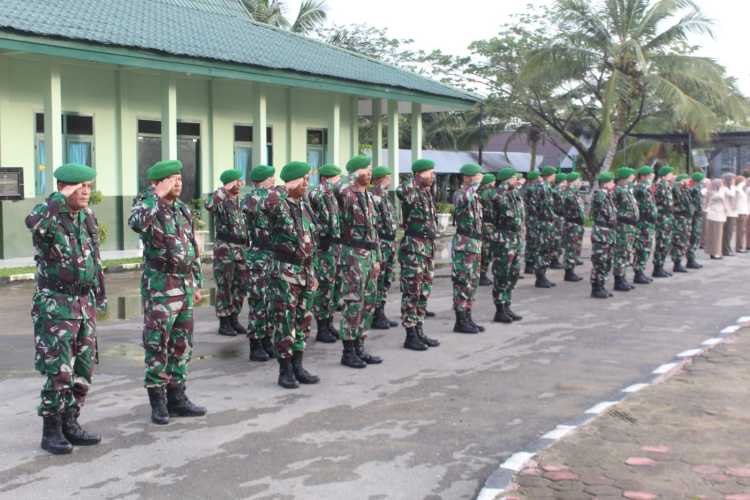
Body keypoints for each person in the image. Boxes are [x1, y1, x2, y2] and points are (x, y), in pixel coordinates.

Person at [27, 163, 105, 454]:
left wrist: (99, 295)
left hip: (84, 304)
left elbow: (94, 259)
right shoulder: (49, 216)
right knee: (59, 370)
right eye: (79, 186)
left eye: (88, 185)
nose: (86, 191)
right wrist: (58, 198)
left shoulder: (87, 218)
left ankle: (71, 423)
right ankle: (51, 430)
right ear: (65, 187)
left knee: (84, 368)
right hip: (55, 305)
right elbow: (32, 222)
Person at [129, 160, 206, 425]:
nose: (178, 183)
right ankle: (158, 401)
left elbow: (192, 248)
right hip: (160, 286)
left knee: (182, 345)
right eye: (172, 179)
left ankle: (178, 397)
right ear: (157, 183)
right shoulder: (145, 205)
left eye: (180, 179)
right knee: (157, 344)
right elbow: (136, 223)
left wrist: (196, 282)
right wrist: (156, 196)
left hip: (183, 285)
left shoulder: (182, 210)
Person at [265, 162, 320, 388]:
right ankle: (285, 370)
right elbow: (262, 203)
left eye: (307, 179)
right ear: (292, 181)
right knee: (285, 322)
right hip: (285, 272)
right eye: (303, 179)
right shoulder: (278, 204)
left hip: (305, 271)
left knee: (304, 320)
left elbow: (311, 239)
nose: (306, 183)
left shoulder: (304, 206)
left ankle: (298, 365)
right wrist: (284, 187)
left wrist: (312, 271)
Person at [337, 155, 383, 367]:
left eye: (370, 169)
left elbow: (374, 232)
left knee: (368, 303)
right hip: (353, 256)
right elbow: (337, 190)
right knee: (353, 302)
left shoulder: (369, 196)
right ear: (355, 173)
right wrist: (350, 179)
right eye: (366, 169)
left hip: (369, 255)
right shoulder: (347, 193)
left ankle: (359, 346)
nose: (370, 172)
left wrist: (377, 258)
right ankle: (348, 351)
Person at [397, 159, 440, 351]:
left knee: (424, 291)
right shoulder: (410, 190)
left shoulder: (426, 193)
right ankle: (410, 334)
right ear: (419, 174)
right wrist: (415, 179)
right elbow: (401, 190)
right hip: (413, 247)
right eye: (430, 172)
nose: (433, 175)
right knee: (412, 291)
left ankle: (419, 329)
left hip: (427, 248)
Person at [205, 169, 248, 337]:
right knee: (225, 286)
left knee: (241, 285)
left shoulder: (239, 200)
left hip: (241, 249)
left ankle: (234, 318)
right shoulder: (220, 199)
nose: (240, 184)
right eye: (237, 181)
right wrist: (223, 190)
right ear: (229, 182)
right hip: (225, 250)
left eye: (240, 181)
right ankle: (224, 322)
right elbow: (208, 205)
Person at [243, 164, 278, 362]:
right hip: (258, 256)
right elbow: (255, 205)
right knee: (258, 301)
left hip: (271, 256)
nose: (274, 181)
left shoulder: (272, 196)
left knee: (270, 302)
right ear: (263, 180)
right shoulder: (252, 197)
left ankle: (266, 339)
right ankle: (255, 343)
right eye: (271, 178)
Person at [308, 164, 343, 342]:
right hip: (324, 247)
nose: (339, 182)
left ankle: (328, 323)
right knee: (324, 288)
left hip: (335, 247)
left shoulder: (333, 195)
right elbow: (316, 222)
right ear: (325, 179)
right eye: (336, 178)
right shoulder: (318, 193)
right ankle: (322, 327)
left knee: (334, 287)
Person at [451, 164, 484, 333]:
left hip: (475, 244)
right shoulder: (460, 194)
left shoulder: (475, 196)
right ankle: (460, 320)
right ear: (468, 177)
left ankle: (468, 317)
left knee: (472, 283)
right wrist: (474, 184)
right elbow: (463, 199)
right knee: (462, 283)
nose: (480, 178)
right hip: (464, 244)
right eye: (477, 175)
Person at [490, 167, 524, 323]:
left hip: (515, 238)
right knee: (502, 275)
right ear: (506, 179)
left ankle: (507, 304)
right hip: (503, 239)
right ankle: (499, 309)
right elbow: (493, 218)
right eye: (514, 178)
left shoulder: (515, 194)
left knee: (514, 273)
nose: (517, 181)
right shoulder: (498, 195)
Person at [371, 166, 400, 329]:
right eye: (386, 177)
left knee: (386, 279)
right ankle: (375, 314)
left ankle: (381, 312)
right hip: (381, 243)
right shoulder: (375, 196)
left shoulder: (386, 196)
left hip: (390, 243)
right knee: (379, 279)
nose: (389, 180)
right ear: (378, 179)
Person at [529, 166, 559, 288]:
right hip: (543, 223)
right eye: (554, 174)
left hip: (546, 222)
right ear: (550, 175)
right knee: (542, 250)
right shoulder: (542, 188)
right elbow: (541, 207)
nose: (555, 177)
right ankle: (540, 277)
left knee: (547, 250)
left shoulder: (546, 188)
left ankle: (543, 275)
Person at [590, 171, 618, 299]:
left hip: (609, 233)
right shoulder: (600, 195)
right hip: (601, 233)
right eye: (611, 181)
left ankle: (601, 286)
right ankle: (596, 288)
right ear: (605, 183)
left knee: (606, 261)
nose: (614, 184)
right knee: (600, 261)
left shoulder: (608, 196)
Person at [612, 167, 639, 291]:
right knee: (621, 253)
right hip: (622, 227)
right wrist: (625, 218)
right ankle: (618, 280)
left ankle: (623, 278)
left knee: (627, 253)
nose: (633, 177)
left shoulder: (627, 190)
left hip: (629, 227)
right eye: (631, 176)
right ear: (625, 178)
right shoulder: (617, 191)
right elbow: (614, 210)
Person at [632, 166, 657, 284]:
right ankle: (638, 273)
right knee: (642, 248)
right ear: (643, 176)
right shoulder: (641, 188)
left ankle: (640, 272)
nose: (652, 177)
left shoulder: (646, 187)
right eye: (649, 175)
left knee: (646, 248)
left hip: (648, 223)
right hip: (643, 223)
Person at [652, 166, 676, 278]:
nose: (672, 175)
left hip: (667, 217)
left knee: (665, 244)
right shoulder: (660, 186)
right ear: (665, 175)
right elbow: (659, 202)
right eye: (670, 173)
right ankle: (657, 268)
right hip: (662, 218)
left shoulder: (666, 186)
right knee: (661, 244)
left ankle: (660, 267)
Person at [562, 172, 585, 282]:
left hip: (577, 224)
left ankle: (571, 270)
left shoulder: (575, 193)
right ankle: (568, 272)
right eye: (578, 180)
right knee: (570, 248)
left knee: (575, 247)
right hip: (571, 223)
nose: (580, 182)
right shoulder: (568, 193)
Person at [670, 174, 693, 272]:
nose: (688, 181)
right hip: (679, 218)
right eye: (686, 180)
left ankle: (679, 261)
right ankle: (677, 263)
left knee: (684, 241)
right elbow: (676, 200)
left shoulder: (684, 189)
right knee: (678, 241)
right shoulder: (676, 189)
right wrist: (678, 183)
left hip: (685, 219)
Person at [478, 173, 497, 286]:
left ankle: (482, 274)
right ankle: (482, 275)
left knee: (483, 250)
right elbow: (492, 210)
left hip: (482, 224)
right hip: (488, 225)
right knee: (486, 250)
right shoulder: (489, 193)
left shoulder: (479, 192)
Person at [704, 178, 729, 260]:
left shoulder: (712, 191)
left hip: (715, 215)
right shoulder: (714, 193)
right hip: (716, 215)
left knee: (715, 235)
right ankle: (715, 253)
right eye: (721, 183)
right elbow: (721, 198)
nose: (722, 185)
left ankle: (714, 252)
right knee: (716, 236)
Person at [686, 172, 705, 269]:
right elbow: (692, 203)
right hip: (694, 216)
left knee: (695, 237)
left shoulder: (697, 189)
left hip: (697, 216)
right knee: (694, 237)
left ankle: (691, 259)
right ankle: (690, 259)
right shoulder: (694, 189)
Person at [523, 170, 540, 274]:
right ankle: (529, 264)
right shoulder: (531, 189)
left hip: (530, 218)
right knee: (532, 242)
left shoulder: (526, 188)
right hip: (532, 218)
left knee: (532, 241)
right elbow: (534, 206)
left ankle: (530, 264)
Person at [549, 172, 567, 270]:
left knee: (558, 238)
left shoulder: (557, 190)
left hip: (558, 217)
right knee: (557, 238)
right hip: (557, 217)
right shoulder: (558, 191)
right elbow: (562, 205)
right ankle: (554, 260)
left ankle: (555, 259)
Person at [722, 172, 737, 256]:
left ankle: (727, 248)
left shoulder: (731, 188)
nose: (734, 181)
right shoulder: (726, 188)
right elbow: (732, 194)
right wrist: (733, 186)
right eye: (733, 179)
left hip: (731, 212)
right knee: (728, 232)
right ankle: (726, 250)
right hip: (728, 212)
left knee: (729, 232)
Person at [735, 175, 748, 253]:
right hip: (741, 212)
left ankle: (740, 246)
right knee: (741, 230)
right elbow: (739, 188)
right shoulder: (738, 190)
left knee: (742, 230)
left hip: (743, 212)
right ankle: (739, 247)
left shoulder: (741, 190)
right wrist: (743, 182)